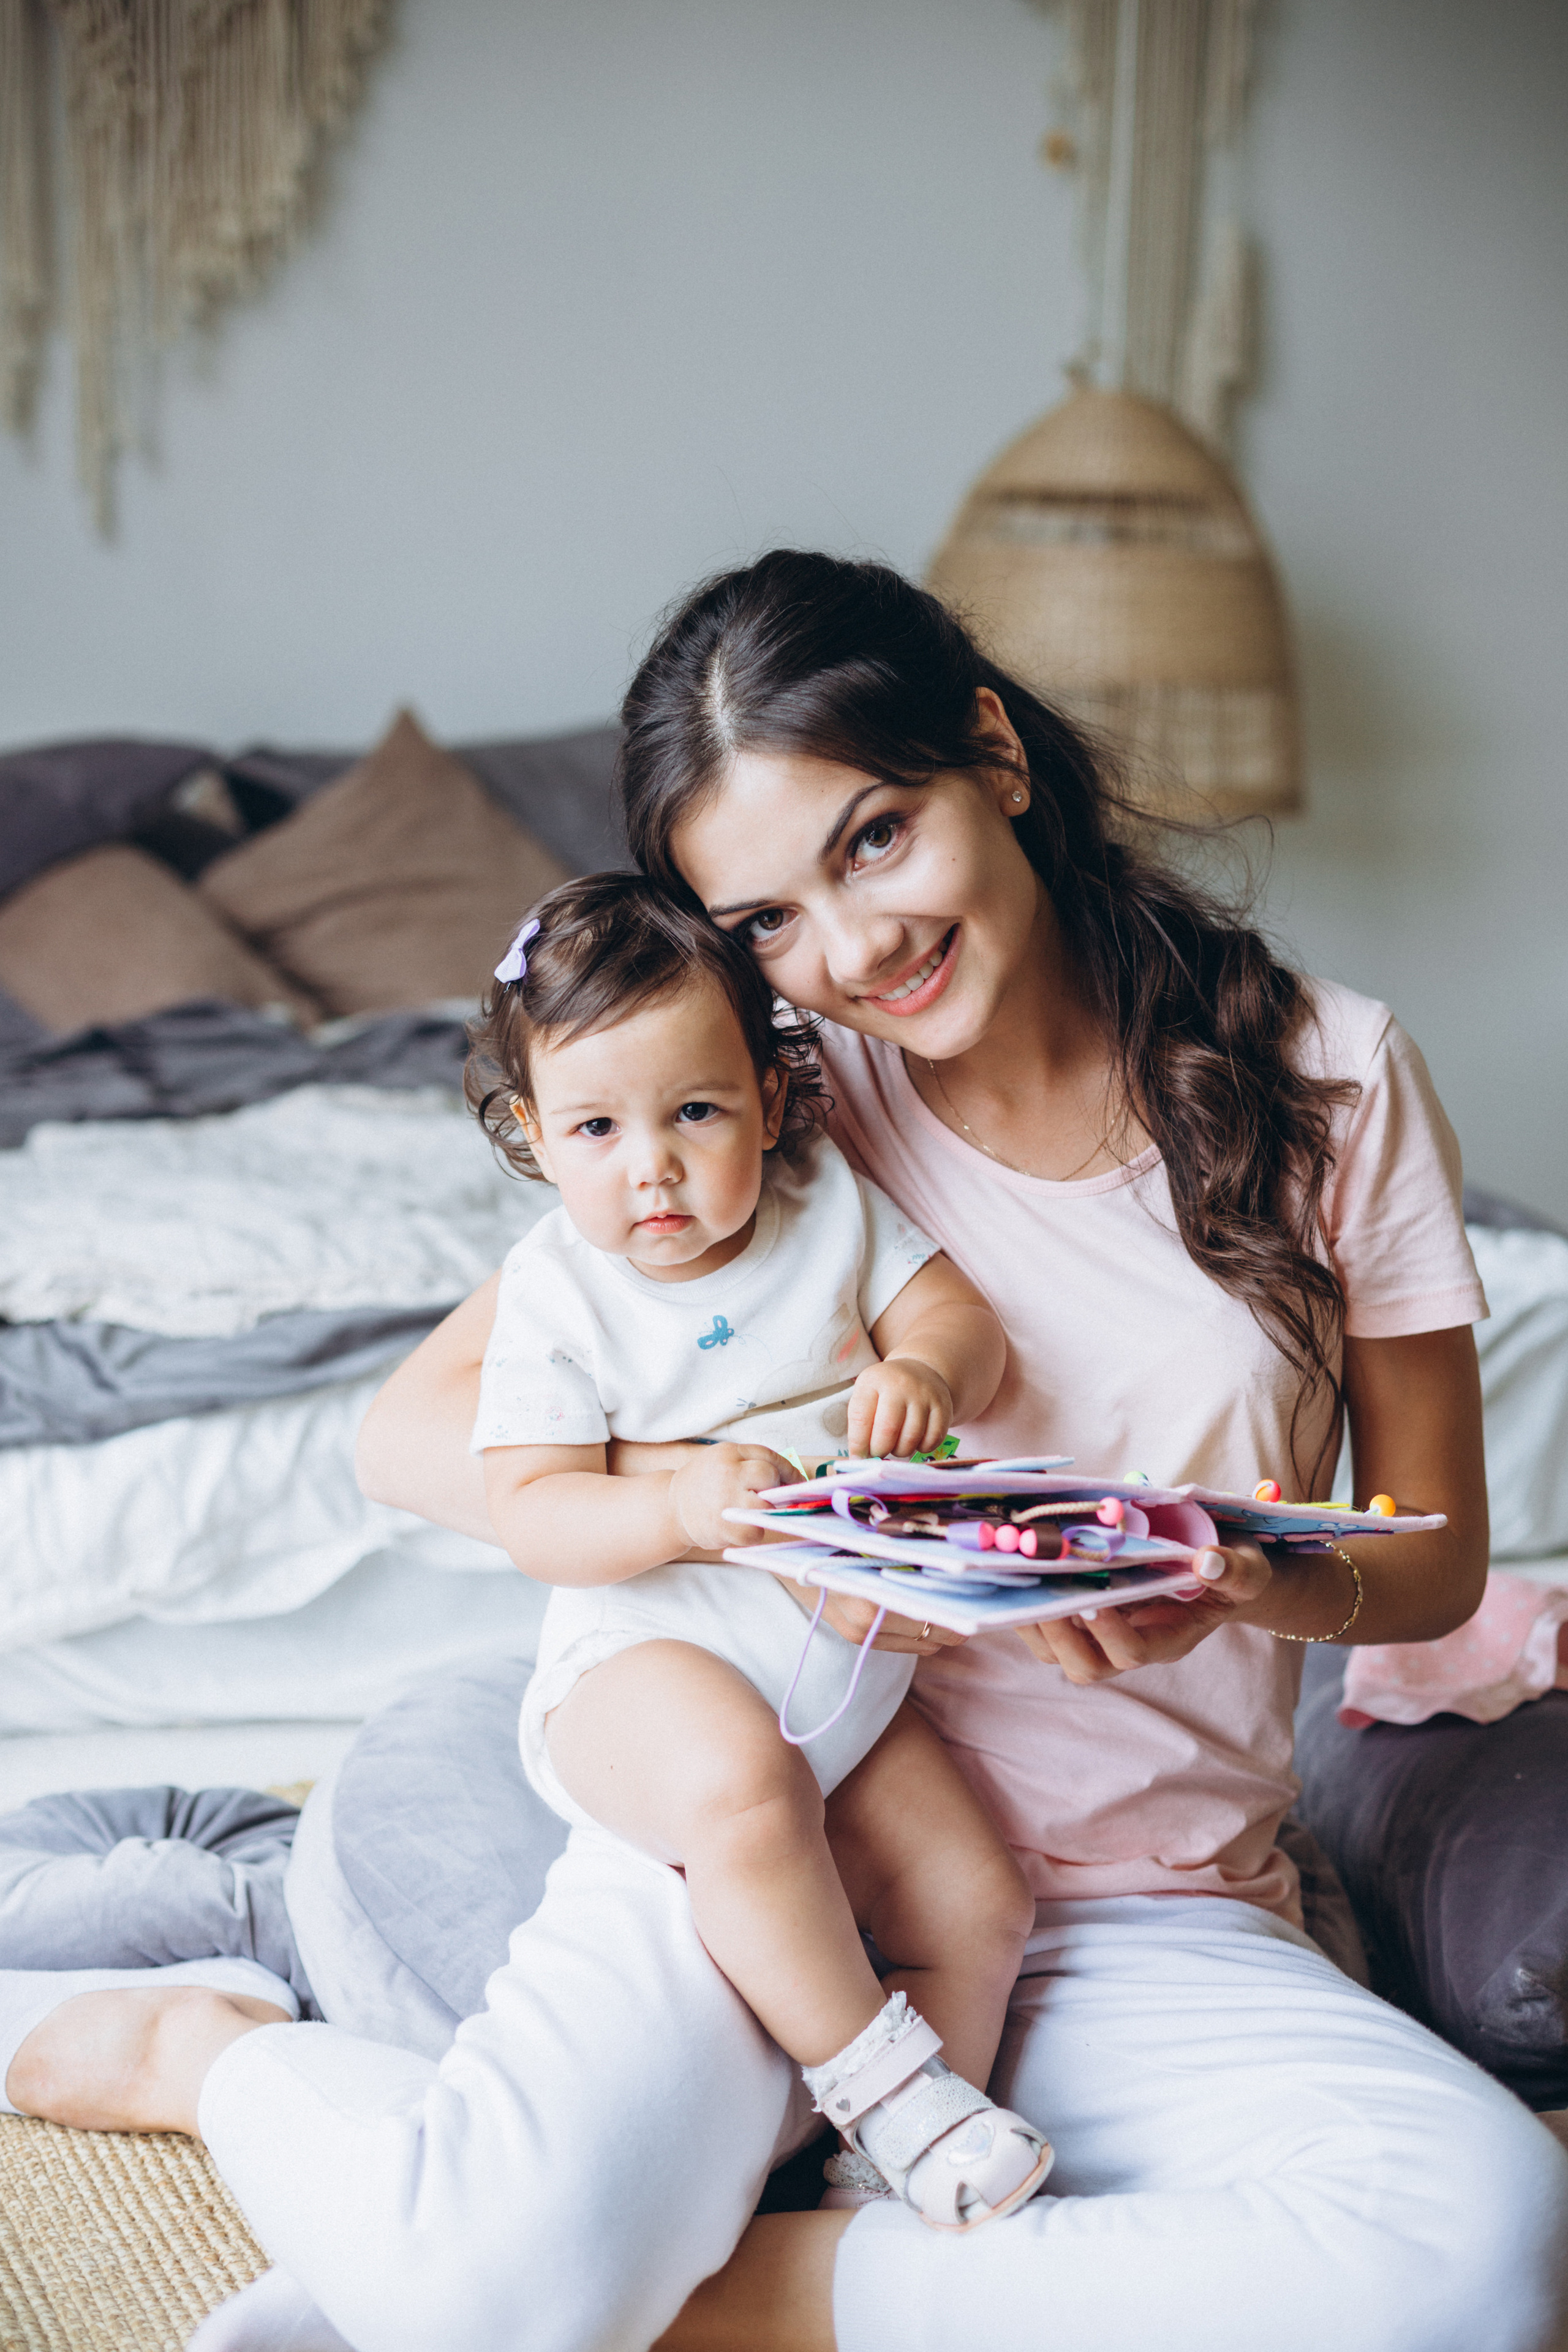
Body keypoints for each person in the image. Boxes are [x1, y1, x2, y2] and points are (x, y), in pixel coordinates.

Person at [6, 552, 1566, 2352]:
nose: (845, 954)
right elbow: (413, 1429)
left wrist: (1248, 1581)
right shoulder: (761, 1098)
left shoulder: (1335, 1084)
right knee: (488, 2285)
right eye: (762, 924)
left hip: (1151, 1907)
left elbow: (1431, 1554)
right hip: (777, 1844)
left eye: (875, 839)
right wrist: (718, 1502)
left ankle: (663, 2303)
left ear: (993, 752)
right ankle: (212, 2054)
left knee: (1489, 2245)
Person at [469, 869, 1049, 2228]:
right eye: (596, 1127)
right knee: (739, 1783)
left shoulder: (826, 1207)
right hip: (642, 1664)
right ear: (534, 1137)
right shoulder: (559, 1292)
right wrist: (674, 1512)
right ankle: (885, 2086)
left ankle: (889, 2178)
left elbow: (966, 1322)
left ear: (771, 1102)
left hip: (840, 1681)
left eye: (694, 1112)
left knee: (979, 1897)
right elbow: (530, 1509)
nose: (650, 1165)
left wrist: (928, 1370)